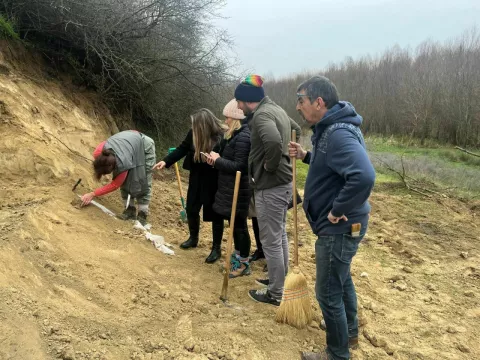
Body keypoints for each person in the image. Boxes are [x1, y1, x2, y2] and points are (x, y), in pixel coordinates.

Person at [288, 76, 375, 360]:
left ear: (319, 102)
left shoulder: (337, 132)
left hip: (339, 228)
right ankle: (348, 333)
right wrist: (306, 156)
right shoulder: (332, 129)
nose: (298, 107)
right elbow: (331, 163)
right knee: (341, 279)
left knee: (327, 293)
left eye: (301, 100)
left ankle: (337, 354)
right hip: (345, 226)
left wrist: (337, 210)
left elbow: (363, 176)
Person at [234, 75, 300, 306]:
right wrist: (287, 153)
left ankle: (276, 293)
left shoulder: (261, 116)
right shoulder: (276, 109)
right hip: (283, 184)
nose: (239, 107)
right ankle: (278, 281)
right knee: (278, 235)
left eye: (239, 102)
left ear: (247, 100)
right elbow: (296, 129)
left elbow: (272, 141)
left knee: (270, 239)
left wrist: (271, 165)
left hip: (271, 185)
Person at [153, 109, 226, 264]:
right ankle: (193, 238)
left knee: (215, 214)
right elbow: (182, 148)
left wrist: (216, 161)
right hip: (196, 175)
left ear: (205, 125)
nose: (193, 128)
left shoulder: (220, 137)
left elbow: (226, 159)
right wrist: (166, 161)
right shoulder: (192, 133)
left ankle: (216, 248)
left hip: (213, 178)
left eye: (196, 125)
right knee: (191, 208)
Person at [205, 99, 252, 278]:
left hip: (239, 189)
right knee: (236, 226)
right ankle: (239, 258)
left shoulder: (244, 137)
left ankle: (243, 264)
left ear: (236, 118)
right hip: (230, 187)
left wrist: (218, 160)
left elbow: (240, 166)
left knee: (239, 227)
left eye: (227, 118)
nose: (225, 122)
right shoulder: (236, 136)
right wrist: (216, 161)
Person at [81, 130, 156, 226]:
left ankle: (142, 214)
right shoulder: (99, 153)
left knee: (141, 178)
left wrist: (93, 194)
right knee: (125, 179)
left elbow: (115, 184)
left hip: (144, 145)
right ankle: (130, 210)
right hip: (130, 142)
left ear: (113, 166)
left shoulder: (122, 163)